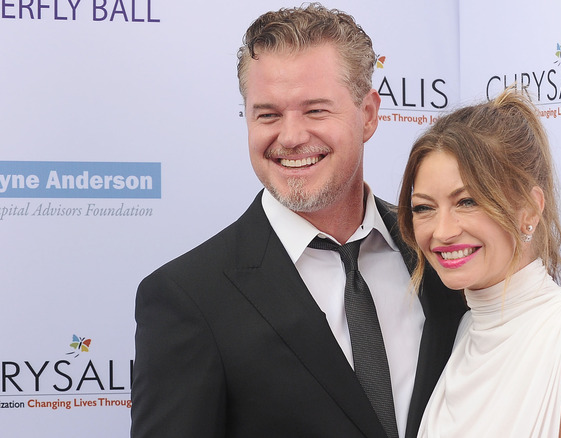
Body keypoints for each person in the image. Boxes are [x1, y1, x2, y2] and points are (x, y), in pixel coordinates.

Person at [131, 4, 466, 438]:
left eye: (315, 111)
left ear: (367, 114)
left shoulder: (443, 249)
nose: (290, 137)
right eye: (268, 114)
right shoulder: (187, 298)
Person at [397, 87, 561, 437]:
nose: (442, 231)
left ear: (528, 208)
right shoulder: (464, 333)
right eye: (424, 208)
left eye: (467, 201)